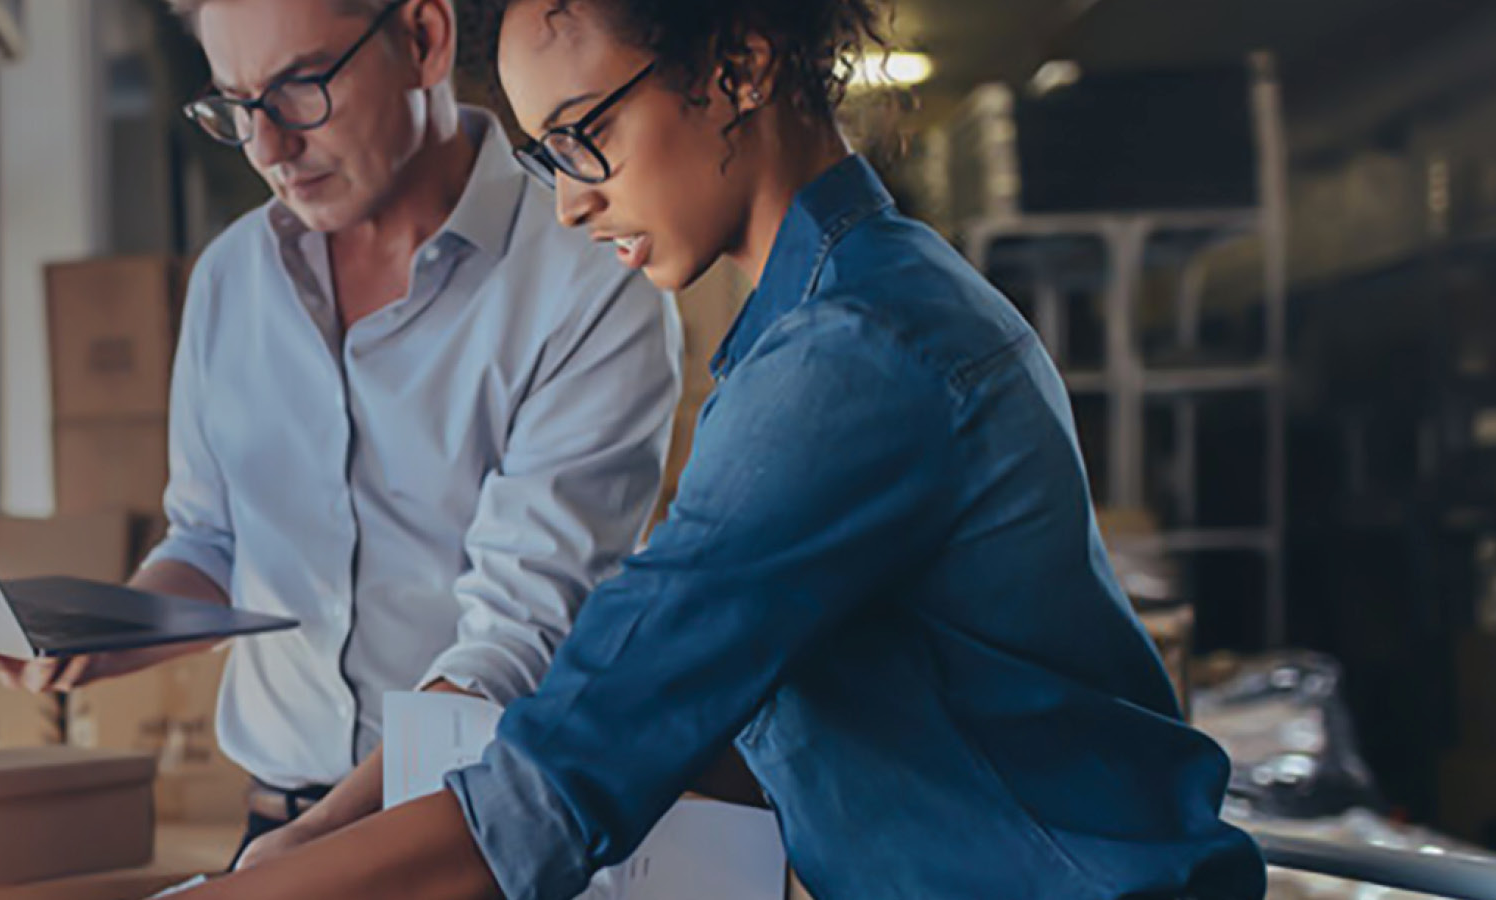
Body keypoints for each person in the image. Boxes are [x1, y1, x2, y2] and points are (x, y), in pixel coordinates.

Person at [160, 0, 1268, 896]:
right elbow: (661, 707)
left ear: (739, 65)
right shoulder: (821, 323)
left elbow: (584, 752)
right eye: (551, 158)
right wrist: (303, 854)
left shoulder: (854, 357)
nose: (574, 204)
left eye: (586, 135)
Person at [0, 0, 689, 866]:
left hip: (467, 833)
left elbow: (522, 634)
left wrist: (326, 845)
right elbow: (211, 542)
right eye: (237, 105)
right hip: (275, 821)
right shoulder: (231, 279)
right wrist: (88, 638)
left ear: (423, 39)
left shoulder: (588, 278)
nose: (268, 148)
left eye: (301, 88)